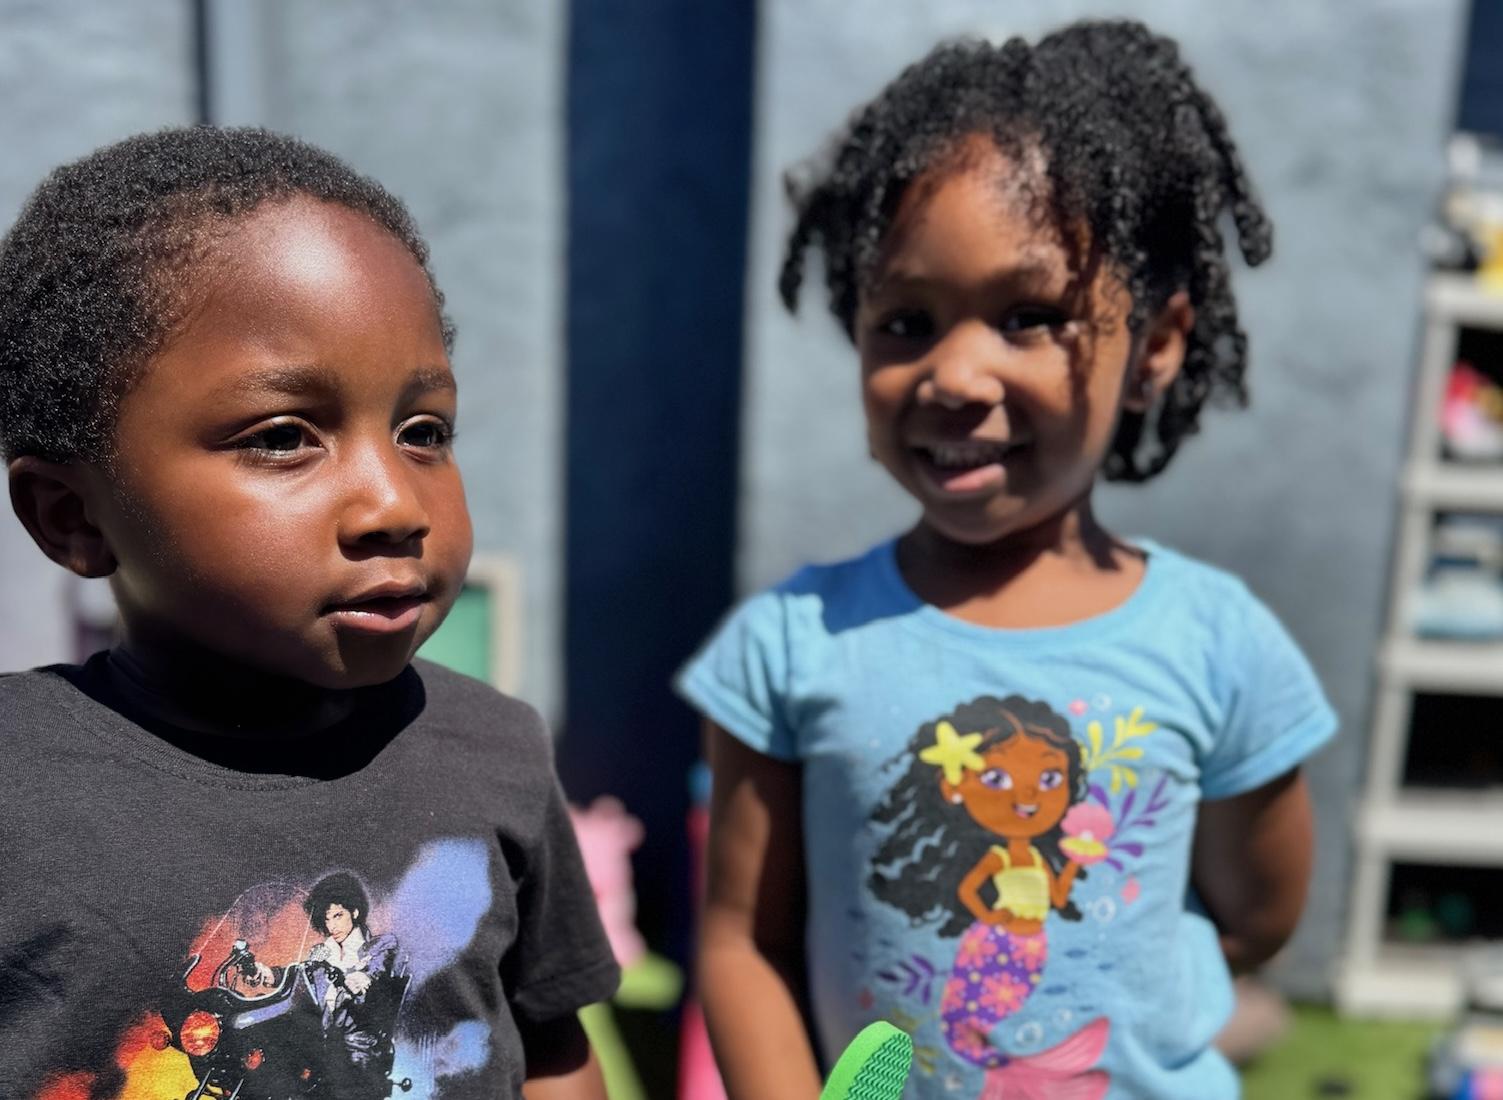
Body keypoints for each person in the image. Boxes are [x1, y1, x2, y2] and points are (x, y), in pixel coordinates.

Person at [677, 20, 1335, 1100]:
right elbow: (744, 939)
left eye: (1030, 316)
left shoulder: (1223, 648)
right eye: (907, 321)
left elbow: (1258, 917)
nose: (956, 373)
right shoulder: (791, 645)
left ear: (1158, 344)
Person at [0, 127, 618, 1100]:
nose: (395, 505)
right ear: (72, 516)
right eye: (285, 436)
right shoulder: (18, 787)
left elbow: (549, 1050)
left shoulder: (493, 748)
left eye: (425, 432)